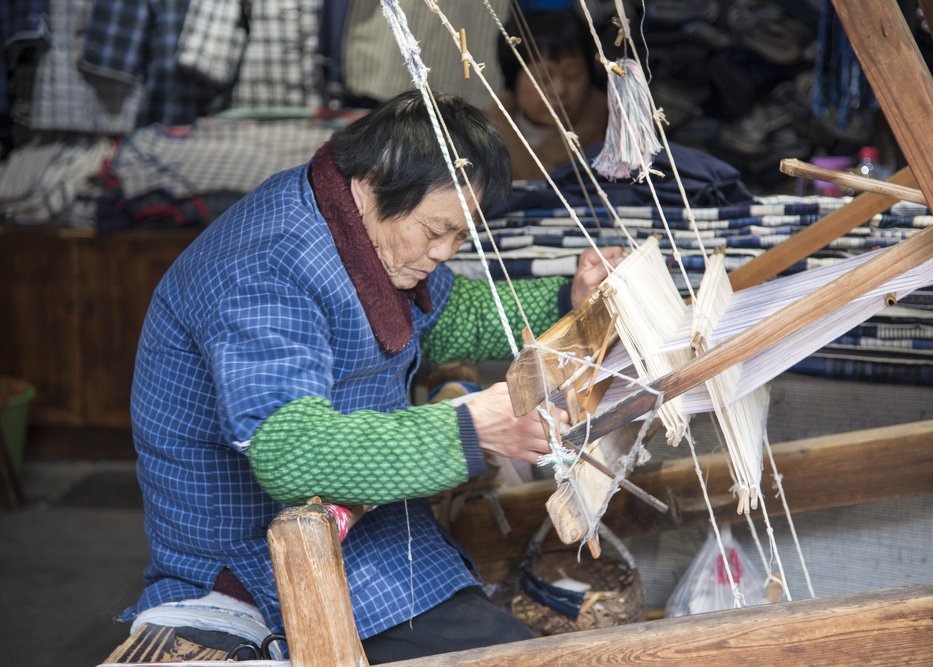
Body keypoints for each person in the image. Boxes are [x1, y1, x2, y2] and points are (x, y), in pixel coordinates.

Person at [105, 89, 624, 664]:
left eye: (460, 234)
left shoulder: (358, 231)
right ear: (375, 180)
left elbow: (451, 319)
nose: (446, 251)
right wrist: (469, 430)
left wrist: (570, 301)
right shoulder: (267, 267)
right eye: (435, 230)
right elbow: (290, 453)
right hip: (253, 570)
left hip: (362, 537)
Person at [486, 8, 609, 181]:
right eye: (543, 78)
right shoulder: (484, 135)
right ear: (513, 78)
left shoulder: (612, 131)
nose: (559, 90)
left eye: (572, 74)